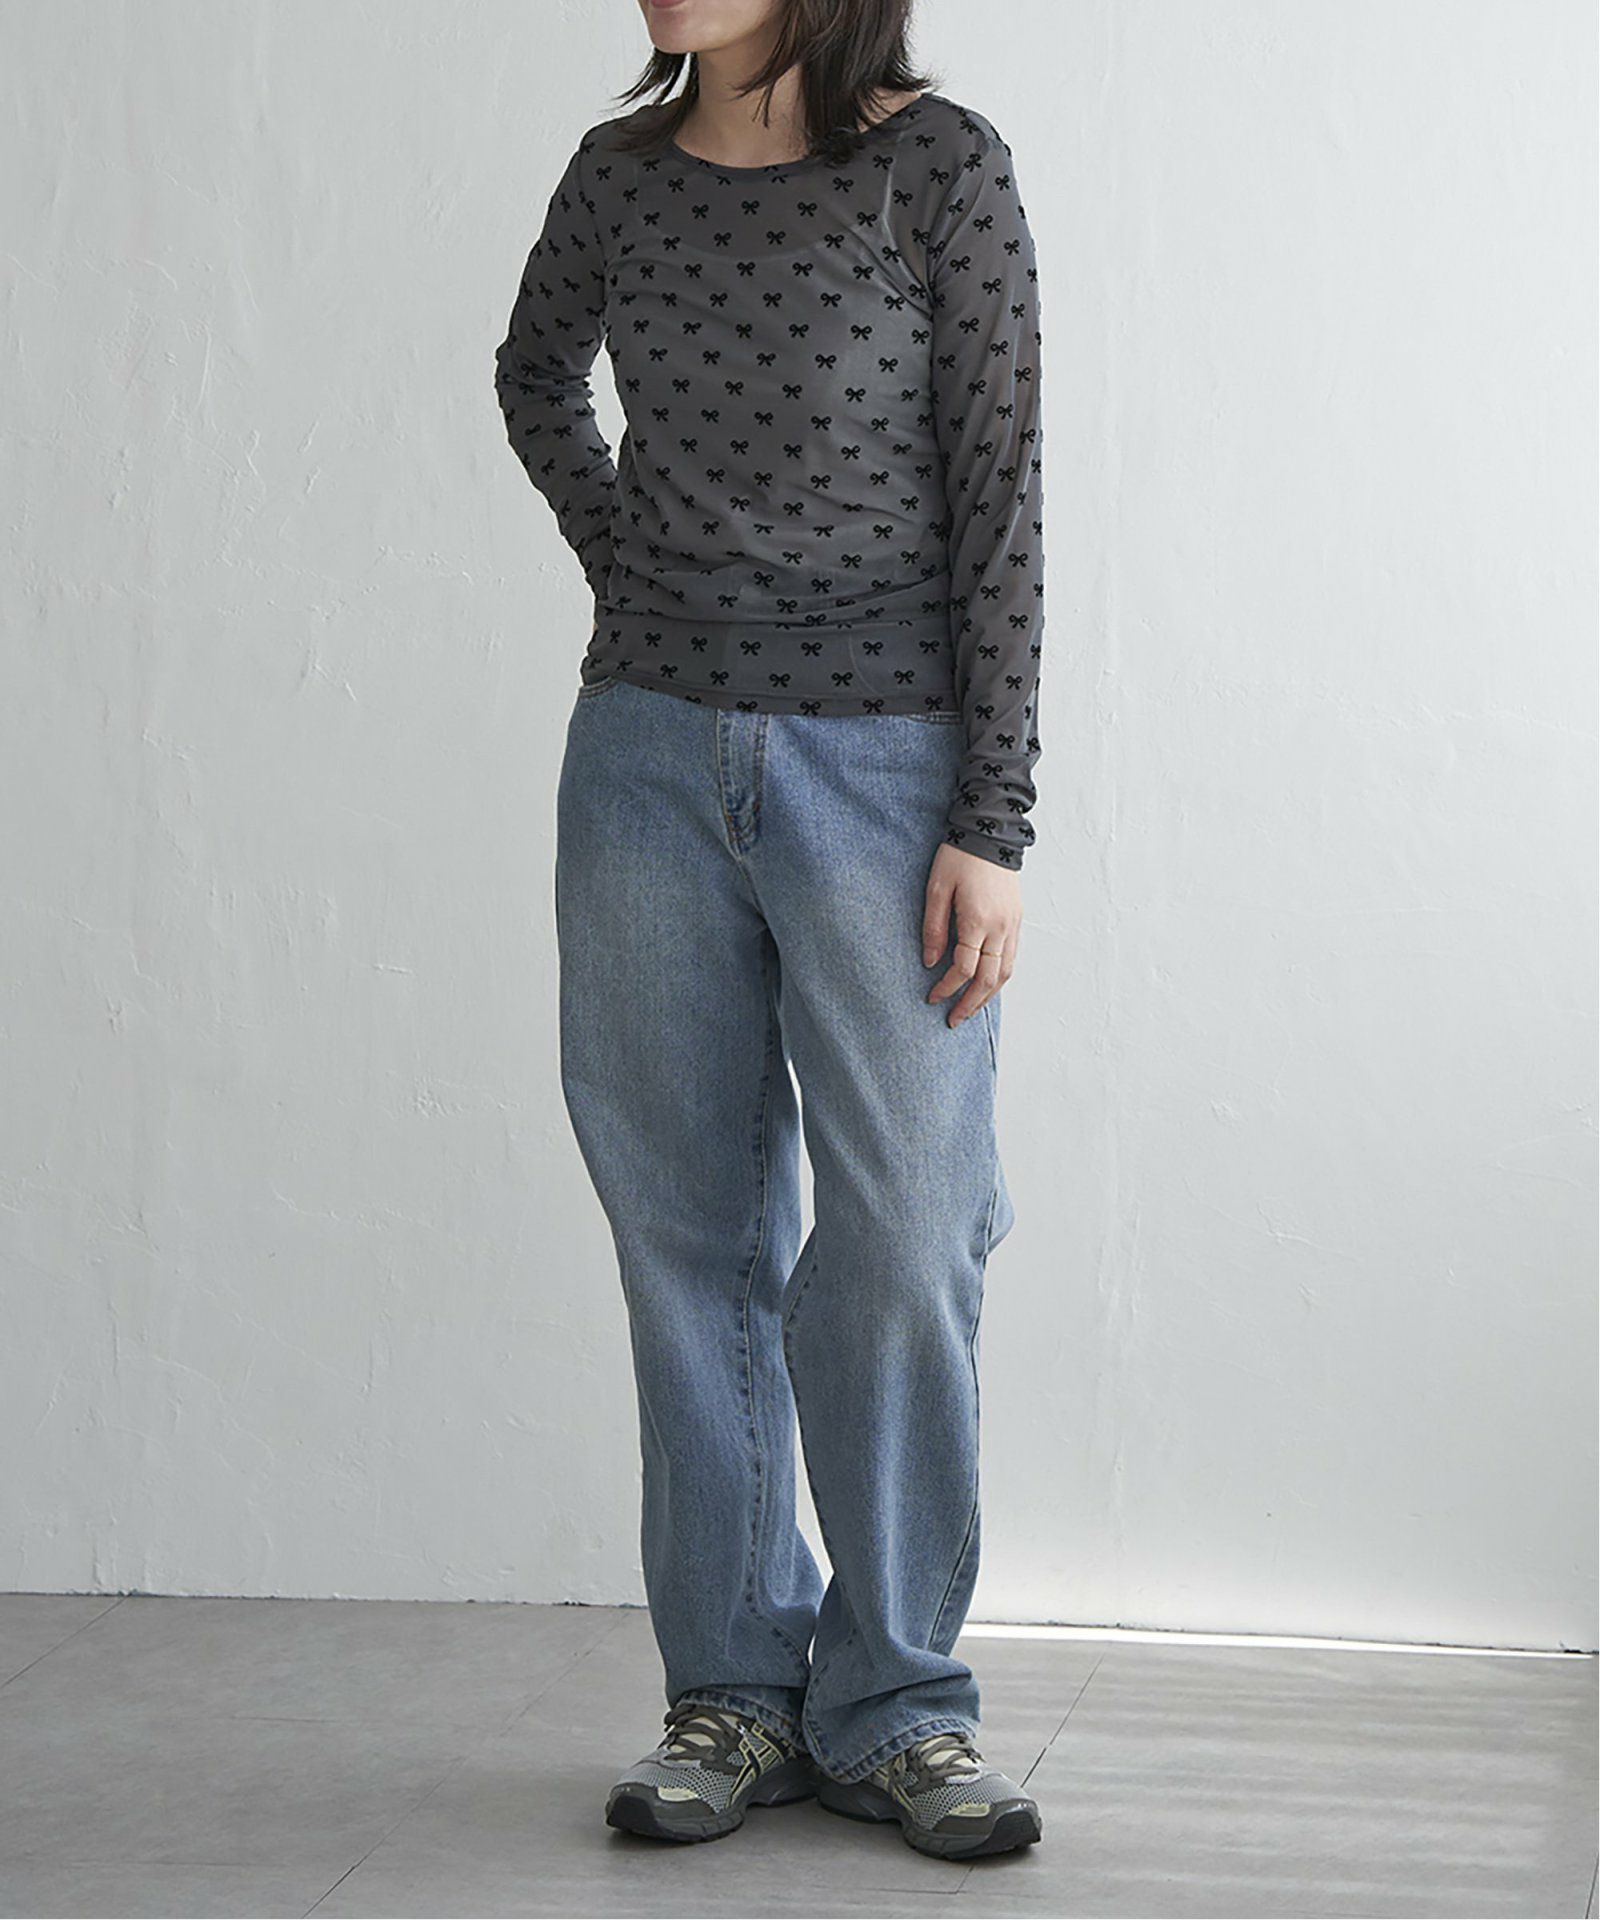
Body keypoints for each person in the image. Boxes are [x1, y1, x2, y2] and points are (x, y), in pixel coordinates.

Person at [493, 0, 1045, 1864]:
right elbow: (534, 376)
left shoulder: (936, 171)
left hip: (889, 770)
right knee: (689, 1236)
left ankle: (900, 1702)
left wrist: (993, 820)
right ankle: (732, 1686)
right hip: (646, 759)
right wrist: (632, 561)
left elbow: (1000, 505)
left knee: (906, 1231)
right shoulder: (620, 174)